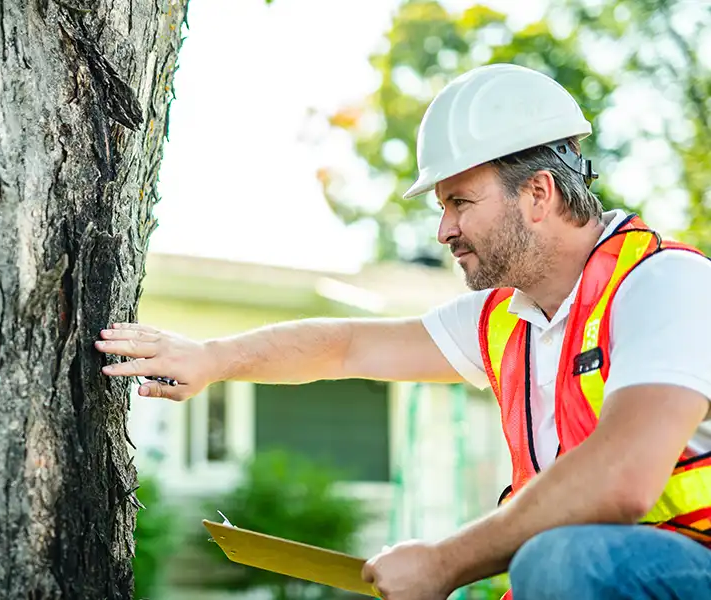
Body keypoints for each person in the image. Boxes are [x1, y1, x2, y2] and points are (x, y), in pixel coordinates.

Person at [96, 63, 711, 599]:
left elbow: (623, 478)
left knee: (561, 560)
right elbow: (346, 346)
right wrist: (212, 357)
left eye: (460, 202)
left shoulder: (664, 284)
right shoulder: (506, 321)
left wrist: (443, 563)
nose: (444, 231)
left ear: (539, 194)